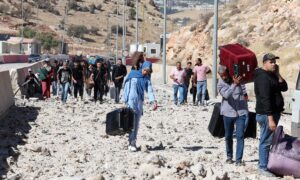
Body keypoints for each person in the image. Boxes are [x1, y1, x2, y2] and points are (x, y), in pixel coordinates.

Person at [254, 53, 288, 176]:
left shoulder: (271, 75)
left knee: (267, 139)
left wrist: (278, 74)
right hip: (266, 114)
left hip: (273, 113)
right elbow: (265, 98)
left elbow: (284, 87)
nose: (274, 64)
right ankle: (262, 167)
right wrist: (270, 119)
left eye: (275, 62)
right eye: (271, 62)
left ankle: (266, 164)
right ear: (264, 63)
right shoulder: (262, 77)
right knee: (265, 141)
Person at [217, 65, 248, 166]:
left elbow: (244, 94)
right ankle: (229, 157)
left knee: (240, 136)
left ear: (228, 73)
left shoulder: (238, 79)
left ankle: (239, 160)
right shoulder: (220, 84)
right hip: (228, 113)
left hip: (241, 112)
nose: (223, 77)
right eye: (221, 76)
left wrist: (238, 84)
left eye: (225, 75)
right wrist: (234, 85)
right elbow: (226, 95)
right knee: (228, 136)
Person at [123, 60, 157, 152]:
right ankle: (131, 142)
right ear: (142, 68)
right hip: (130, 100)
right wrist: (124, 98)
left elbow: (149, 90)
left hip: (139, 101)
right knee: (131, 121)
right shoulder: (133, 74)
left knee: (136, 122)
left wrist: (153, 101)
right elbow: (126, 86)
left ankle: (133, 141)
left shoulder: (146, 79)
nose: (146, 72)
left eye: (148, 71)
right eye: (145, 70)